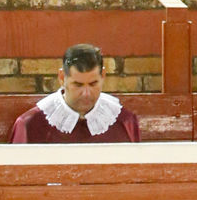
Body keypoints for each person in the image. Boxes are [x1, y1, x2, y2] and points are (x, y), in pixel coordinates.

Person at [10, 43, 141, 143]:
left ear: (103, 76)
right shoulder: (31, 126)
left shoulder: (125, 122)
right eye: (78, 85)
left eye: (93, 84)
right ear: (62, 77)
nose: (86, 93)